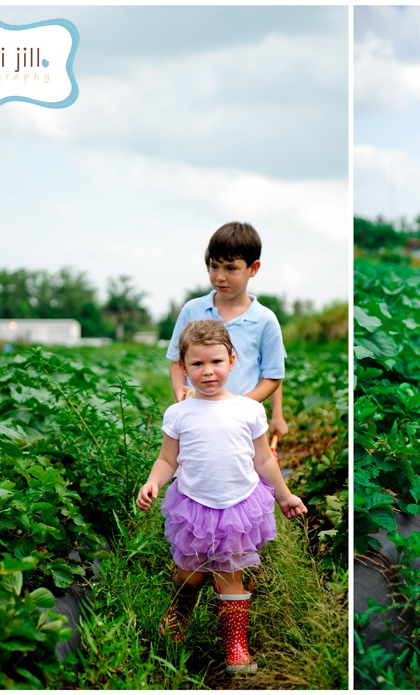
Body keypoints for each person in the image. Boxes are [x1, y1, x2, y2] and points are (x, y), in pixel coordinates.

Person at [138, 320, 307, 672]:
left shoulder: (248, 409)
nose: (208, 371)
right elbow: (168, 459)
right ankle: (181, 607)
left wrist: (284, 495)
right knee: (190, 575)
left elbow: (263, 459)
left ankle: (235, 646)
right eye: (197, 364)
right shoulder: (179, 413)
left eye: (216, 362)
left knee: (230, 571)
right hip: (195, 506)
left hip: (237, 506)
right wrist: (153, 481)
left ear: (232, 360)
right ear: (183, 369)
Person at [166, 221, 288, 439]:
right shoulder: (191, 310)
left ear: (253, 268)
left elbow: (272, 375)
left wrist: (240, 407)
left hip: (242, 424)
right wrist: (179, 387)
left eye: (230, 268)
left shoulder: (265, 320)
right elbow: (177, 360)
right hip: (196, 420)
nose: (220, 276)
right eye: (214, 266)